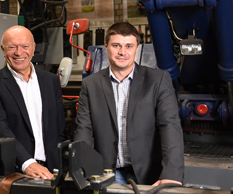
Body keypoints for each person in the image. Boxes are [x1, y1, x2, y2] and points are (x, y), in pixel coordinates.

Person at [74, 22, 184, 186]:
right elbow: (84, 129)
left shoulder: (158, 80)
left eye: (129, 46)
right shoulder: (91, 84)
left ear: (137, 48)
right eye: (116, 45)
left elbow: (170, 126)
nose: (122, 52)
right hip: (108, 173)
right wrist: (79, 167)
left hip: (149, 173)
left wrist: (172, 174)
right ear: (106, 46)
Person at [0, 25, 66, 179]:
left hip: (51, 170)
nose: (19, 53)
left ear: (33, 48)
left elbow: (59, 128)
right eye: (12, 47)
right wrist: (27, 163)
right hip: (15, 170)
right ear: (3, 50)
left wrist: (61, 163)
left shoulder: (51, 81)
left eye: (25, 46)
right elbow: (0, 129)